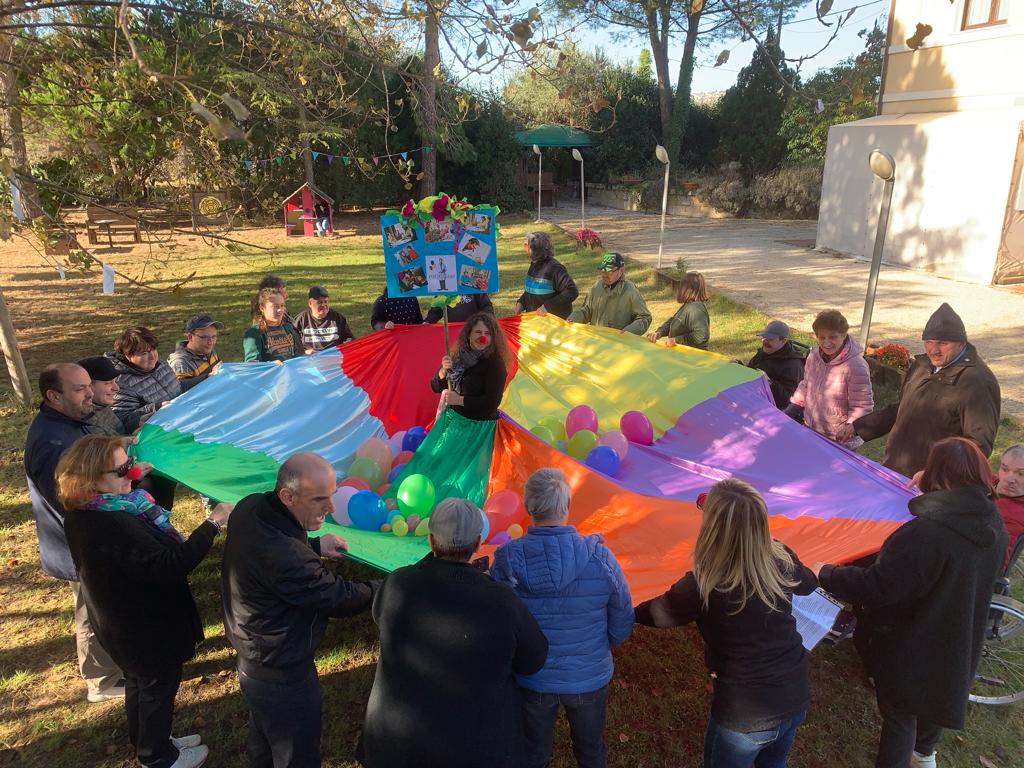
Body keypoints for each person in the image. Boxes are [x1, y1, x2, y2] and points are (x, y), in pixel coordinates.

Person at [815, 437, 1006, 768]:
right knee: (934, 700)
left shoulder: (926, 533)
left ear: (938, 476)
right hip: (956, 637)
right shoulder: (991, 523)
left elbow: (878, 587)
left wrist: (826, 573)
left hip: (911, 642)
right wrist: (933, 495)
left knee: (900, 715)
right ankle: (924, 755)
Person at [59, 434, 233, 768]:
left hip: (121, 622)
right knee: (157, 687)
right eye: (121, 470)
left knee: (139, 684)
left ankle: (147, 742)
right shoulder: (113, 522)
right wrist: (212, 524)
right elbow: (170, 565)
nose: (131, 473)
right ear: (90, 479)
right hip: (143, 628)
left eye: (129, 464)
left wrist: (138, 476)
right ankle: (157, 757)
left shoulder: (89, 509)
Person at [635, 479, 817, 768]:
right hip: (793, 695)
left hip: (744, 716)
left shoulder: (704, 584)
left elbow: (656, 615)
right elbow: (808, 582)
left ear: (712, 527)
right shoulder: (780, 558)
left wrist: (625, 604)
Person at [356, 498, 549, 768]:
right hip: (477, 748)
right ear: (479, 543)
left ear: (431, 541)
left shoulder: (398, 583)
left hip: (396, 745)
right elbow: (534, 659)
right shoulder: (501, 600)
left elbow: (380, 616)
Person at [222, 453, 378, 767]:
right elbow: (338, 596)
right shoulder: (287, 556)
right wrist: (390, 587)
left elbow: (272, 555)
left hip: (253, 655)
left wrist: (315, 546)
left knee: (265, 740)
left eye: (332, 496)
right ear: (287, 496)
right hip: (281, 671)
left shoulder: (250, 507)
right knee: (296, 754)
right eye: (320, 499)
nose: (332, 508)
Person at [490, 468, 634, 768]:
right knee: (590, 750)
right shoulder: (600, 558)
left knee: (533, 753)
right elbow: (622, 611)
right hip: (588, 677)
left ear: (529, 508)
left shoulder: (507, 559)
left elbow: (497, 618)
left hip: (533, 677)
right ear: (566, 507)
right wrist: (601, 644)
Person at [24, 363, 124, 702]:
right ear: (54, 395)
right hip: (77, 545)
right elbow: (72, 497)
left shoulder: (68, 423)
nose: (90, 394)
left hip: (89, 539)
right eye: (80, 389)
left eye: (88, 386)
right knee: (93, 608)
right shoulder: (51, 442)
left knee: (104, 604)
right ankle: (101, 680)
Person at [853, 303, 1001, 478]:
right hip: (896, 469)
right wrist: (857, 427)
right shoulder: (922, 365)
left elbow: (978, 445)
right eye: (928, 342)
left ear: (962, 343)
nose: (934, 350)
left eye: (943, 343)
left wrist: (935, 474)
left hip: (932, 483)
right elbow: (902, 409)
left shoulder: (978, 382)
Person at [786, 309, 873, 450]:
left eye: (832, 337)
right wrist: (794, 406)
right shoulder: (814, 356)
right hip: (812, 429)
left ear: (844, 335)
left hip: (839, 440)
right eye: (822, 337)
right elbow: (806, 385)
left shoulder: (856, 366)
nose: (827, 343)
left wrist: (851, 428)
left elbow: (862, 405)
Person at [431, 311, 510, 421]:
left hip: (478, 426)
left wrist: (459, 400)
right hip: (454, 419)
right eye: (478, 332)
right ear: (468, 334)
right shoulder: (457, 355)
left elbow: (491, 403)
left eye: (487, 333)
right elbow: (435, 387)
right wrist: (443, 371)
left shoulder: (495, 363)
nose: (483, 337)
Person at [109, 327, 181, 433]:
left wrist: (207, 377)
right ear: (128, 356)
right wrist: (156, 407)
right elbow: (122, 418)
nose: (153, 356)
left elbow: (179, 387)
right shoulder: (121, 383)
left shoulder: (160, 364)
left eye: (153, 349)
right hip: (161, 432)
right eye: (144, 353)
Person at [567, 253, 651, 335]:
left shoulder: (630, 291)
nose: (604, 275)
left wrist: (628, 332)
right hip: (595, 339)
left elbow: (644, 318)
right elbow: (587, 310)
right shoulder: (597, 286)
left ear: (621, 270)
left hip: (617, 343)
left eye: (609, 272)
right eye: (602, 271)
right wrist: (573, 319)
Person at [514, 230, 579, 319]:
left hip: (553, 326)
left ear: (534, 250)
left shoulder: (555, 268)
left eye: (527, 245)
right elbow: (532, 291)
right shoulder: (534, 265)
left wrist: (547, 307)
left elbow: (572, 291)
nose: (525, 247)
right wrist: (521, 303)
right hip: (536, 323)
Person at [744, 320, 806, 410]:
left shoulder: (793, 365)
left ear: (783, 341)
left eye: (770, 339)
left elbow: (789, 399)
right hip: (754, 396)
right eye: (764, 337)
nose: (765, 341)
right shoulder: (765, 351)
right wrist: (739, 366)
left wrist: (769, 382)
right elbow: (750, 369)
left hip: (772, 408)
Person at [646, 271, 711, 350]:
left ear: (687, 288)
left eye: (682, 285)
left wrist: (676, 340)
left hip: (691, 359)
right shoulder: (689, 305)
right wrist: (660, 332)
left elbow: (701, 336)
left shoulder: (696, 309)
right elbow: (674, 320)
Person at [243, 287, 303, 363]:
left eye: (282, 305)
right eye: (275, 306)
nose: (280, 310)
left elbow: (295, 356)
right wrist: (271, 365)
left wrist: (306, 356)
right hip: (270, 374)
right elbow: (252, 364)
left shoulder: (288, 328)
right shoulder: (254, 333)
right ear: (262, 308)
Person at [167, 314, 224, 392]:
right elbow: (181, 390)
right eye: (204, 337)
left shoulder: (207, 348)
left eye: (213, 336)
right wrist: (210, 376)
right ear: (190, 337)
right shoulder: (180, 362)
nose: (211, 342)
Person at [292, 286, 355, 353]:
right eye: (319, 302)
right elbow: (292, 345)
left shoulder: (338, 318)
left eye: (326, 301)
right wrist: (305, 352)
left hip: (333, 357)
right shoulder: (301, 319)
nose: (323, 305)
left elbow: (351, 339)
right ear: (310, 303)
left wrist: (349, 341)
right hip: (311, 359)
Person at [79, 355, 127, 435]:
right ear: (88, 386)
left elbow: (119, 431)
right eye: (108, 383)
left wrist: (138, 420)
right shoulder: (87, 422)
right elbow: (112, 445)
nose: (116, 388)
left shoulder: (100, 404)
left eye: (115, 381)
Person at [996, 443, 1024, 571]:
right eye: (1005, 469)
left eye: (1021, 474)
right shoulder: (990, 482)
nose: (1010, 478)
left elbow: (998, 561)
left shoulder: (1018, 513)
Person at [425, 292, 494, 324]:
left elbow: (486, 306)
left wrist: (487, 320)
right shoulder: (445, 287)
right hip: (454, 331)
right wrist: (428, 321)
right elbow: (436, 310)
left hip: (474, 327)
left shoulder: (473, 285)